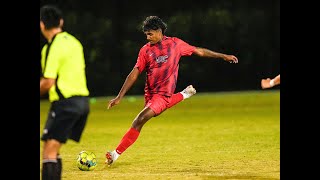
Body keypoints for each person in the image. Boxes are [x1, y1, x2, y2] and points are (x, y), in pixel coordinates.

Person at [105, 16, 238, 166]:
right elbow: (134, 73)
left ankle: (115, 154)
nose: (148, 37)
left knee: (139, 120)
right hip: (150, 93)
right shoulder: (145, 50)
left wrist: (223, 56)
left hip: (163, 94)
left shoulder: (176, 44)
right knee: (153, 113)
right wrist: (119, 96)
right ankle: (184, 94)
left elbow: (199, 51)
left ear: (159, 31)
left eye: (150, 34)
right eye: (146, 34)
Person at [40, 5, 90, 180]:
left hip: (65, 104)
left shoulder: (51, 47)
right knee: (52, 146)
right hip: (83, 103)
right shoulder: (74, 42)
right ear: (61, 22)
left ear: (41, 25)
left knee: (49, 151)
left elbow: (48, 82)